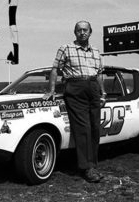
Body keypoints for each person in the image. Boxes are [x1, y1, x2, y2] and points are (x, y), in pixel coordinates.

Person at [43, 21, 106, 183]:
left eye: (85, 30)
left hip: (93, 88)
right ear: (75, 32)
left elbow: (99, 74)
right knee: (83, 128)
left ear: (90, 32)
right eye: (79, 30)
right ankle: (87, 168)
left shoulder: (97, 51)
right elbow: (55, 69)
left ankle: (93, 163)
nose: (82, 32)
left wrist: (103, 92)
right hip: (75, 88)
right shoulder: (66, 48)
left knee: (95, 128)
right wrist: (51, 90)